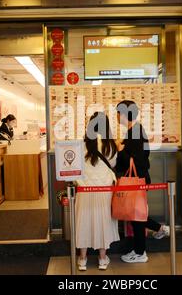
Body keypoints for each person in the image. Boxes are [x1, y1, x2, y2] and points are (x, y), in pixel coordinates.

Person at [115, 100, 170, 264]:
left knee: (136, 216)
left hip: (136, 180)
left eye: (118, 113)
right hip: (137, 179)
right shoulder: (134, 131)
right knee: (136, 214)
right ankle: (158, 230)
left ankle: (140, 252)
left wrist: (120, 150)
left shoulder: (136, 132)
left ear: (124, 114)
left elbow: (138, 161)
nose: (117, 116)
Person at [75, 112, 120, 271]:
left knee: (84, 221)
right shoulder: (110, 144)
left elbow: (76, 165)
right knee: (103, 222)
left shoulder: (83, 143)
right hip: (104, 189)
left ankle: (82, 259)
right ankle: (102, 259)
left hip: (85, 188)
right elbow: (113, 162)